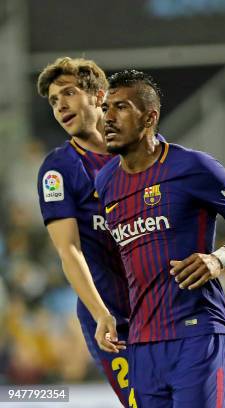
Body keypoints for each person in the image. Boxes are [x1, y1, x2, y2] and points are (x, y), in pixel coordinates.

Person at [94, 69, 225, 407]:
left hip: (198, 331)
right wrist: (106, 313)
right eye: (106, 109)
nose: (108, 118)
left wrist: (220, 258)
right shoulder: (105, 183)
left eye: (121, 108)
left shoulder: (191, 167)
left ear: (150, 118)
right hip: (142, 343)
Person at [36, 57, 134, 407]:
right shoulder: (59, 170)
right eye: (53, 100)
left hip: (160, 307)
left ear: (98, 96)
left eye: (69, 93)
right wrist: (100, 313)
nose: (59, 104)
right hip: (112, 318)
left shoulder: (139, 151)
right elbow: (69, 251)